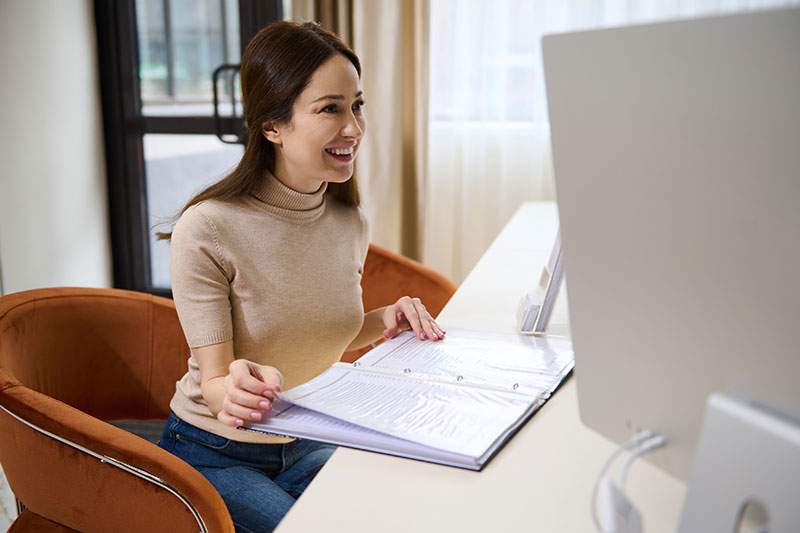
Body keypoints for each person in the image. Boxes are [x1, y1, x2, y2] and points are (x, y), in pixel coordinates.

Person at [157, 21, 445, 533]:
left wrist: (384, 319)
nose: (353, 128)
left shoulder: (346, 220)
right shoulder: (209, 227)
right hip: (217, 452)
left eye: (357, 105)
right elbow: (219, 383)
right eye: (330, 108)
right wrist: (235, 387)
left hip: (307, 436)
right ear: (273, 125)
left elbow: (319, 331)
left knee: (410, 512)